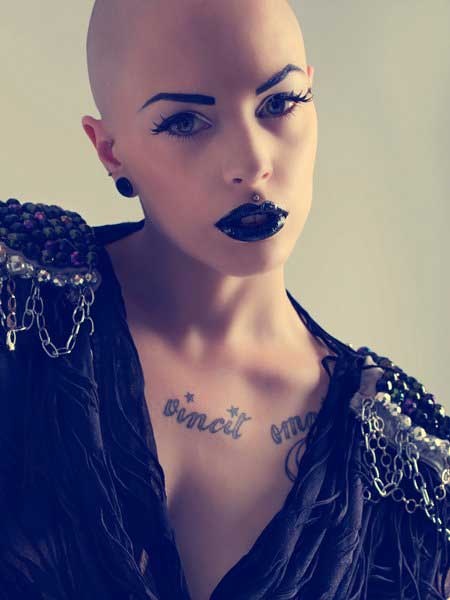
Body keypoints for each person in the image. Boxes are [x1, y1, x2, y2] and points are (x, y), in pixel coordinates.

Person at [0, 1, 448, 598]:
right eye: (186, 122)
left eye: (279, 103)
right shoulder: (19, 302)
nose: (253, 163)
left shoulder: (408, 471)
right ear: (109, 150)